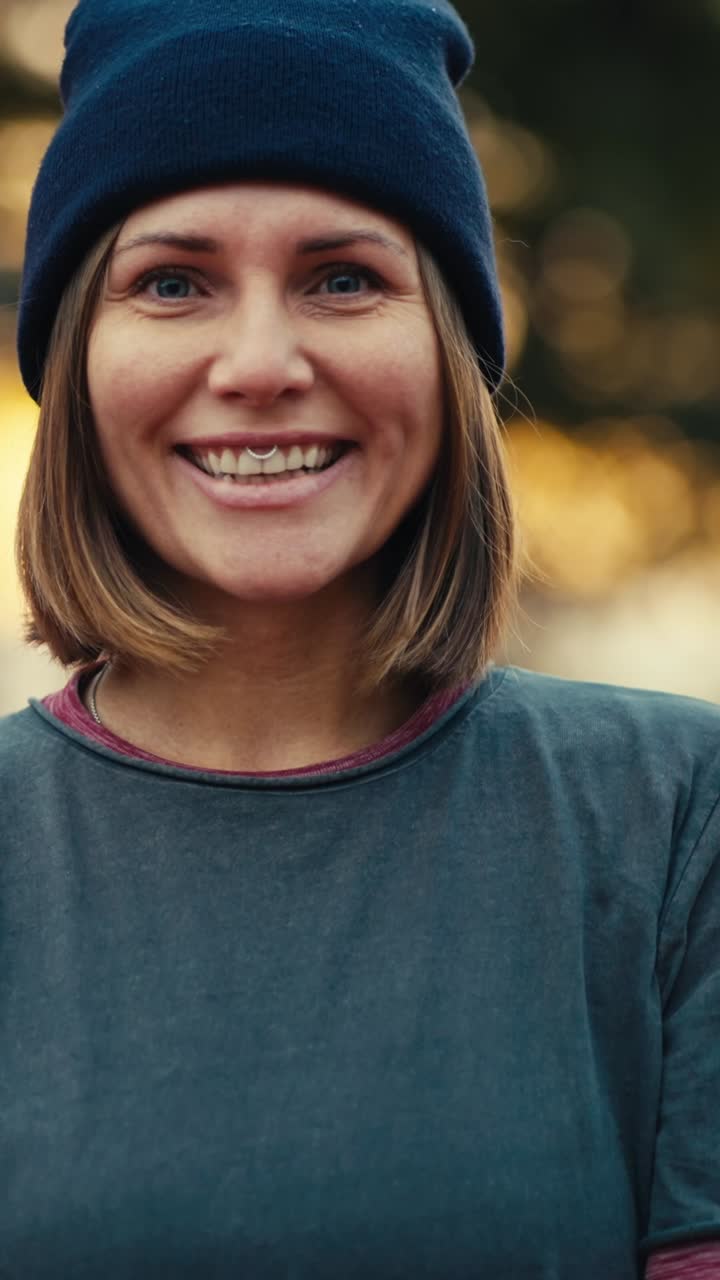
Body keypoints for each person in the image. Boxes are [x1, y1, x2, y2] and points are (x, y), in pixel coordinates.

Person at [1, 0, 718, 1275]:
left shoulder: (675, 824)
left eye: (344, 277)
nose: (262, 361)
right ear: (77, 355)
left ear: (447, 354)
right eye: (172, 282)